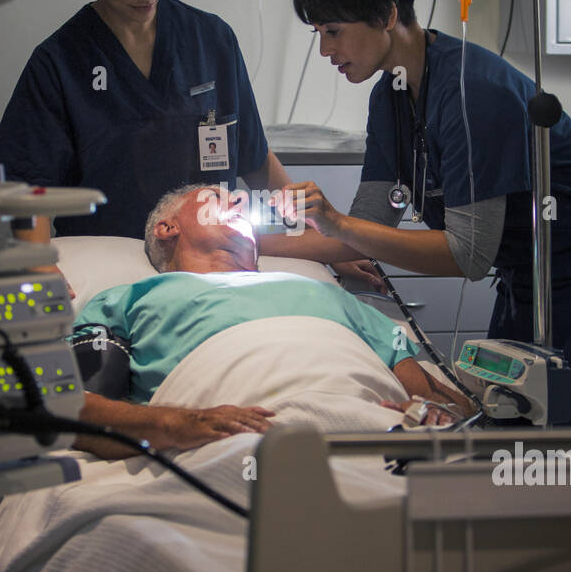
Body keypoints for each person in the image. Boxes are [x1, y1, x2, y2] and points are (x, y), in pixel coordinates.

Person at [271, 0, 571, 426]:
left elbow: (466, 255)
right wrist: (251, 247)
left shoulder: (473, 91)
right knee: (512, 429)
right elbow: (364, 227)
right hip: (530, 278)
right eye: (318, 33)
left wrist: (337, 224)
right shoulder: (391, 98)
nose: (324, 50)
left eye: (333, 30)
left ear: (387, 15)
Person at [0, 0, 296, 243]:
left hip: (210, 255)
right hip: (111, 259)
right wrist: (37, 269)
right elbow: (27, 189)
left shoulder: (211, 39)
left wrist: (318, 237)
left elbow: (255, 158)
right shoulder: (59, 64)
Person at [67, 185, 477, 459]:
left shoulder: (326, 293)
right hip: (226, 443)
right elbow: (72, 411)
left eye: (243, 200)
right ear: (167, 227)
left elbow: (448, 404)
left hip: (369, 436)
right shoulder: (128, 300)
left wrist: (435, 414)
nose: (240, 202)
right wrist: (178, 423)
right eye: (215, 197)